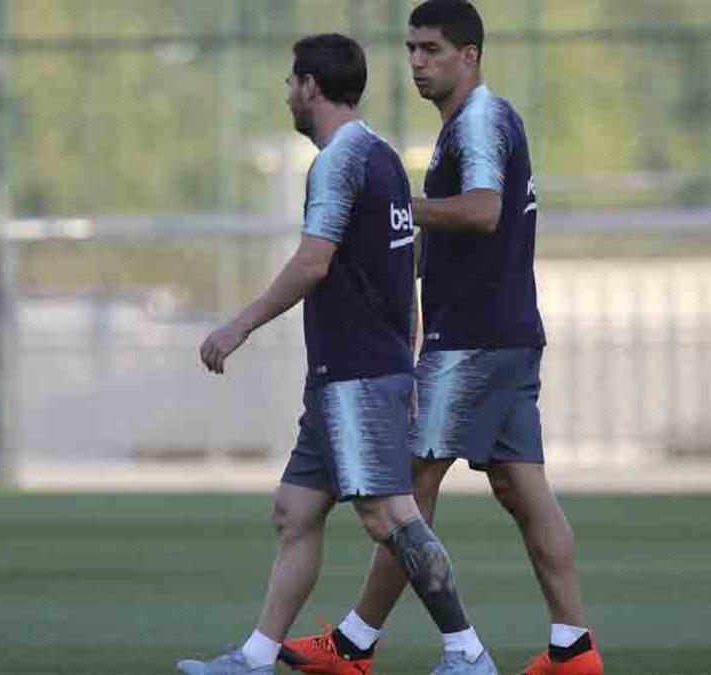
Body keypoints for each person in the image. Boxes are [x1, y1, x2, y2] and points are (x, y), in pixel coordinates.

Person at [280, 4, 603, 674]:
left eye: (432, 49)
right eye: (411, 50)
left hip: (475, 342)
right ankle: (573, 646)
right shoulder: (473, 124)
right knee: (522, 488)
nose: (418, 63)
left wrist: (392, 205)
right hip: (505, 332)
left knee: (405, 485)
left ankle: (355, 643)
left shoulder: (481, 120)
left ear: (470, 56)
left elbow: (484, 211)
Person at [175, 32, 497, 675]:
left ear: (311, 88)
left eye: (292, 84)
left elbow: (312, 263)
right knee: (295, 511)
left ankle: (467, 653)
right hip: (347, 376)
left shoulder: (339, 163)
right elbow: (399, 275)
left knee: (389, 515)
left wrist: (237, 326)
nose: (288, 95)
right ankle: (257, 657)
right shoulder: (379, 156)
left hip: (355, 374)